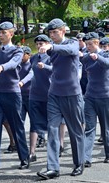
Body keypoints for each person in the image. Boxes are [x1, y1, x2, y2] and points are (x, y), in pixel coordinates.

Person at [37, 18, 85, 180]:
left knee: (75, 130)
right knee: (52, 129)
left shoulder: (71, 43)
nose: (52, 35)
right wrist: (48, 47)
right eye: (50, 33)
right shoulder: (52, 48)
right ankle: (52, 167)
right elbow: (51, 52)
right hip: (54, 93)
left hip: (72, 93)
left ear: (63, 31)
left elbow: (70, 50)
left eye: (55, 32)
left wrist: (52, 46)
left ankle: (79, 163)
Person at [0, 22, 29, 174]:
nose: (0, 35)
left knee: (17, 126)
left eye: (4, 33)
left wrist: (0, 68)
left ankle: (24, 157)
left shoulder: (17, 51)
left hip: (12, 93)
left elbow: (13, 63)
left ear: (11, 34)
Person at [81, 32, 109, 167]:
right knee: (89, 127)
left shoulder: (107, 54)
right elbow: (80, 62)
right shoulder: (86, 56)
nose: (87, 47)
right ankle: (86, 158)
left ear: (96, 43)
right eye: (86, 44)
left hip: (104, 95)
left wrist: (97, 57)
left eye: (90, 44)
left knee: (106, 126)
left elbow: (108, 64)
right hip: (90, 96)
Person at [28, 35, 53, 162]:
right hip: (34, 94)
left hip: (49, 94)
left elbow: (56, 70)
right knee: (34, 123)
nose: (39, 46)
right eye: (37, 44)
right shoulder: (33, 57)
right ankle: (32, 152)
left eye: (41, 43)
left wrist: (46, 67)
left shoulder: (52, 57)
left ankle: (55, 150)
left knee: (52, 124)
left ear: (48, 44)